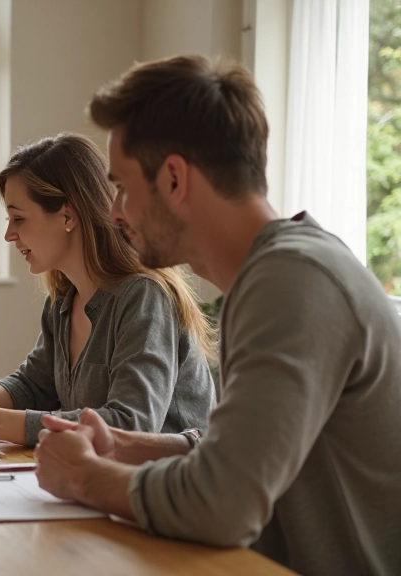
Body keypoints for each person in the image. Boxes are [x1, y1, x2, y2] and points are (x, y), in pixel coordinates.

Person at [34, 55, 401, 576]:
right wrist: (121, 446)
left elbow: (221, 503)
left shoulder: (292, 282)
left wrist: (84, 478)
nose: (114, 211)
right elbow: (236, 454)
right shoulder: (280, 271)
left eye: (122, 186)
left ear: (176, 179)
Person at [0, 133, 216, 447]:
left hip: (170, 486)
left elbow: (132, 423)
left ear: (68, 215)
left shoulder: (143, 297)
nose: (8, 235)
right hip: (105, 479)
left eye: (18, 218)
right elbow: (33, 387)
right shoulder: (64, 297)